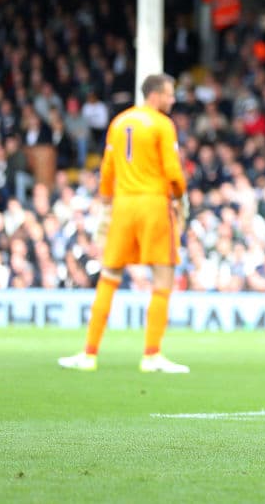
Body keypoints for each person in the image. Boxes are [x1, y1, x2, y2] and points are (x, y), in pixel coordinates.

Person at [58, 74, 190, 374]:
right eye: (169, 95)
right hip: (154, 205)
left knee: (109, 276)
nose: (172, 100)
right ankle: (152, 355)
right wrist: (181, 196)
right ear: (154, 95)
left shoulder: (118, 122)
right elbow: (173, 170)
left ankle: (89, 354)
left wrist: (106, 204)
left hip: (123, 205)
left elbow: (107, 170)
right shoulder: (161, 124)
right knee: (163, 277)